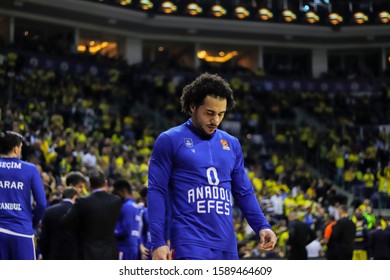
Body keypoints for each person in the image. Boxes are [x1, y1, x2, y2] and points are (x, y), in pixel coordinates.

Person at [147, 73, 277, 260]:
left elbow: (244, 192)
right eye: (210, 113)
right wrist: (158, 241)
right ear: (193, 106)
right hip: (189, 243)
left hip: (227, 246)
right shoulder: (169, 140)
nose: (216, 120)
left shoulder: (231, 143)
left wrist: (262, 225)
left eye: (221, 114)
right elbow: (156, 191)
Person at [0, 131, 47, 260]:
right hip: (21, 231)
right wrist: (31, 221)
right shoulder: (30, 168)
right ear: (16, 148)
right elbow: (42, 204)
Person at [61, 170, 122, 259]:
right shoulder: (117, 201)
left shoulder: (83, 202)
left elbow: (64, 222)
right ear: (105, 183)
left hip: (87, 252)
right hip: (110, 252)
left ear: (89, 185)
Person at [39, 187, 79, 260]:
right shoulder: (78, 211)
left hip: (53, 253)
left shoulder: (49, 211)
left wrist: (45, 255)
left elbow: (44, 237)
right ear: (75, 197)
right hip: (73, 254)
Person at [112, 178, 142, 260]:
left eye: (116, 193)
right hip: (133, 245)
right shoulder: (134, 206)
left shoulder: (126, 207)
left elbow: (125, 229)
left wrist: (110, 232)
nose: (115, 196)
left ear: (123, 191)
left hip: (125, 247)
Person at [139, 186, 151, 260]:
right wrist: (141, 246)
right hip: (147, 249)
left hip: (162, 247)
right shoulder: (143, 212)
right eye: (143, 198)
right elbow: (141, 231)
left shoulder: (164, 210)